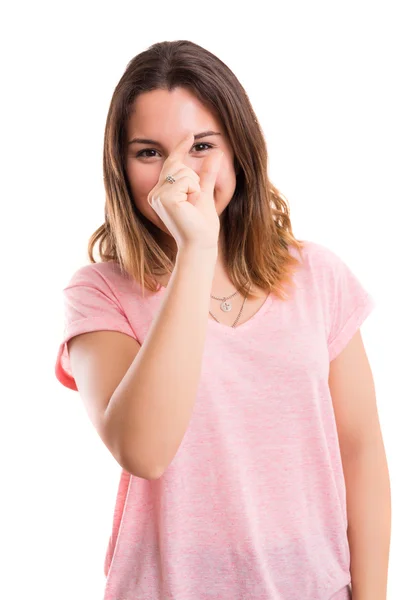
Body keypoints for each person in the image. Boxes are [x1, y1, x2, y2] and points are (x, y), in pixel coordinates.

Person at [54, 40, 381, 600]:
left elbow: (361, 450)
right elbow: (145, 450)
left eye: (201, 145)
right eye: (149, 153)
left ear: (238, 151)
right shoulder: (99, 295)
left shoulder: (318, 276)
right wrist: (196, 249)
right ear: (120, 166)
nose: (179, 173)